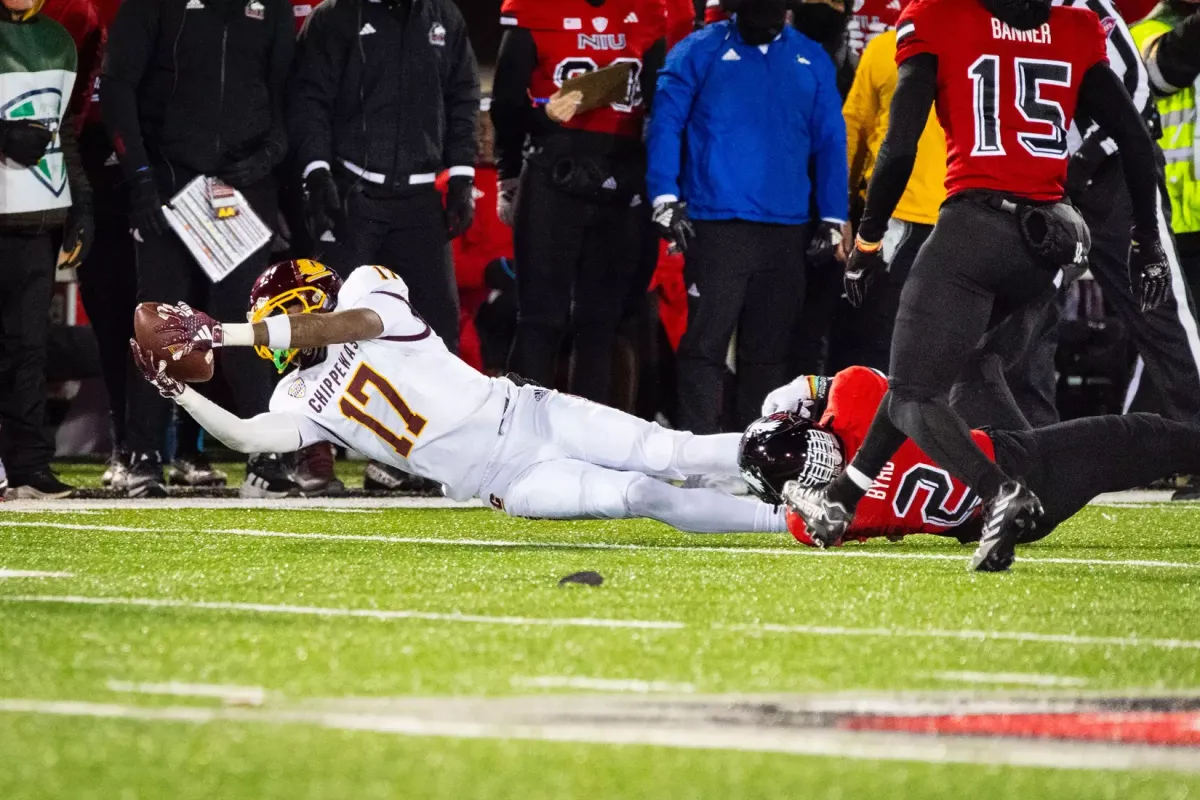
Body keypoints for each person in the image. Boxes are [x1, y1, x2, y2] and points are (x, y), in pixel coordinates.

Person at [784, 0, 1171, 570]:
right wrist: (1147, 242)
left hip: (976, 226)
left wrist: (867, 240)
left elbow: (898, 146)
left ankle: (1002, 492)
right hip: (1051, 241)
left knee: (917, 393)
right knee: (921, 373)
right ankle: (842, 501)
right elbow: (1136, 142)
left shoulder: (937, 16)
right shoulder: (1074, 25)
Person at [128, 259, 788, 535]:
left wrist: (230, 332)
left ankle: (793, 465)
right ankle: (782, 524)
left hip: (528, 412)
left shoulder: (364, 291)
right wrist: (179, 392)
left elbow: (341, 328)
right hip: (506, 481)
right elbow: (246, 437)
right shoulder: (296, 396)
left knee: (669, 450)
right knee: (638, 495)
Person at [101, 0, 295, 497]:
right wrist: (140, 180)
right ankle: (142, 453)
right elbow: (118, 86)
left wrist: (267, 158)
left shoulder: (269, 7)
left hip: (240, 190)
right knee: (160, 322)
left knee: (247, 323)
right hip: (170, 184)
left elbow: (286, 92)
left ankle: (263, 451)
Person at [746, 366, 1200, 566]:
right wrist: (803, 388)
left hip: (979, 513)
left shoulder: (812, 525)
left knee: (979, 365)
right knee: (1136, 437)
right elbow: (905, 390)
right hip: (1017, 470)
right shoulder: (854, 397)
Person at [647, 0, 848, 441]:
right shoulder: (698, 51)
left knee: (768, 352)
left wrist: (833, 215)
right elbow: (665, 123)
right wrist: (664, 194)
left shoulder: (811, 57)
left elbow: (831, 139)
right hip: (715, 223)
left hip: (786, 227)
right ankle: (697, 451)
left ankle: (755, 452)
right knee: (706, 345)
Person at [490, 0, 666, 406]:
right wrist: (513, 165)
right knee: (540, 316)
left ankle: (592, 444)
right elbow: (506, 105)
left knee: (601, 320)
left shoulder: (649, 11)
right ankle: (517, 435)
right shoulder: (533, 10)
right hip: (555, 169)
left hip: (622, 177)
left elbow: (662, 108)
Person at [0, 0, 93, 499]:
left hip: (39, 217)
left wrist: (82, 206)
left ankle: (30, 468)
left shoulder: (59, 39)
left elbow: (66, 131)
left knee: (28, 351)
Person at [837, 2, 946, 371]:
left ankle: (874, 425)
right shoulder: (990, 49)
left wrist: (842, 211)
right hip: (960, 213)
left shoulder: (887, 47)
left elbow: (854, 131)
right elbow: (854, 130)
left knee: (882, 343)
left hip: (900, 219)